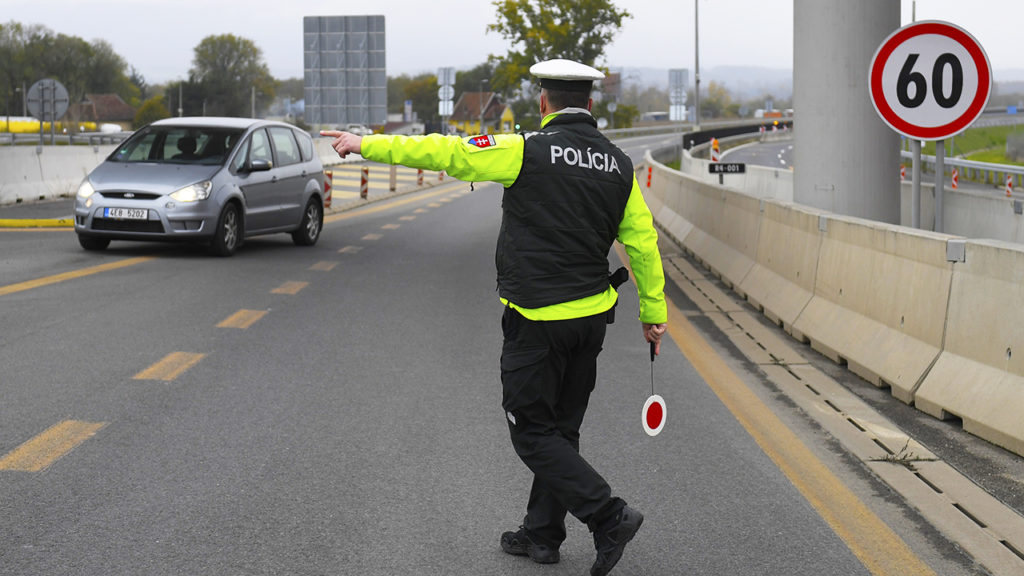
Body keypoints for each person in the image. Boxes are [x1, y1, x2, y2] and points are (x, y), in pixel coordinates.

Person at [322, 58, 668, 576]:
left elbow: (449, 152)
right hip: (592, 318)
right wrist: (653, 313)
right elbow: (642, 243)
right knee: (561, 430)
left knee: (531, 432)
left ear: (544, 103)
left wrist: (366, 143)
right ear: (591, 105)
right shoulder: (619, 166)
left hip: (537, 318)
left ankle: (609, 515)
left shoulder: (525, 149)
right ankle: (543, 535)